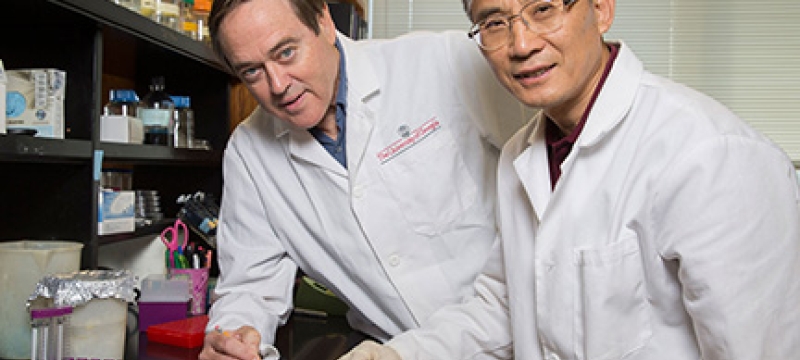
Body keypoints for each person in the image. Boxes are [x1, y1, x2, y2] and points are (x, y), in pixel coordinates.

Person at [339, 0, 800, 359]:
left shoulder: (712, 155)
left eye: (543, 9)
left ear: (600, 9)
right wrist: (397, 354)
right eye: (495, 22)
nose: (521, 44)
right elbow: (506, 308)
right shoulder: (522, 154)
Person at [198, 0, 532, 359]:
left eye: (287, 52)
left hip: (524, 341)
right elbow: (250, 286)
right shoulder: (250, 153)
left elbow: (551, 178)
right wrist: (235, 338)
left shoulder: (442, 62)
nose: (278, 85)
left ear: (324, 22)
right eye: (252, 72)